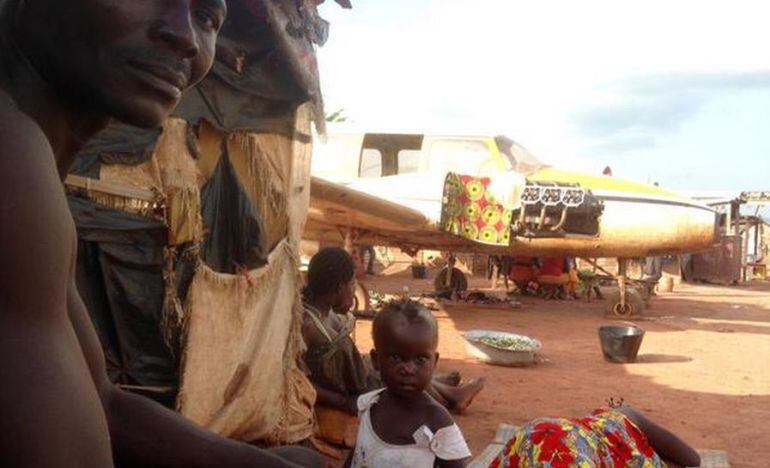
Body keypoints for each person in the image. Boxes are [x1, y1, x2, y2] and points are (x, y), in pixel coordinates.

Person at [0, 1, 317, 466]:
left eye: (207, 17)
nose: (186, 37)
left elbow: (102, 404)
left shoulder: (34, 165)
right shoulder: (10, 158)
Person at [301, 247, 484, 415]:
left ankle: (441, 385)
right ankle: (451, 397)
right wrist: (343, 401)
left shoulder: (326, 311)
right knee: (400, 374)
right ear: (339, 287)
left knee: (391, 364)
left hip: (356, 370)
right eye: (352, 285)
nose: (352, 290)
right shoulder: (308, 324)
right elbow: (298, 379)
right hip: (353, 387)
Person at [348, 300, 472, 468]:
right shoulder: (369, 406)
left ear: (434, 362)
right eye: (396, 357)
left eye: (420, 359)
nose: (408, 369)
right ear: (376, 360)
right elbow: (359, 453)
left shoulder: (437, 421)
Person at [489, 405, 700, 468]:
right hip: (546, 438)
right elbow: (692, 460)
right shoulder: (624, 417)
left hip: (537, 432)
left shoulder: (621, 418)